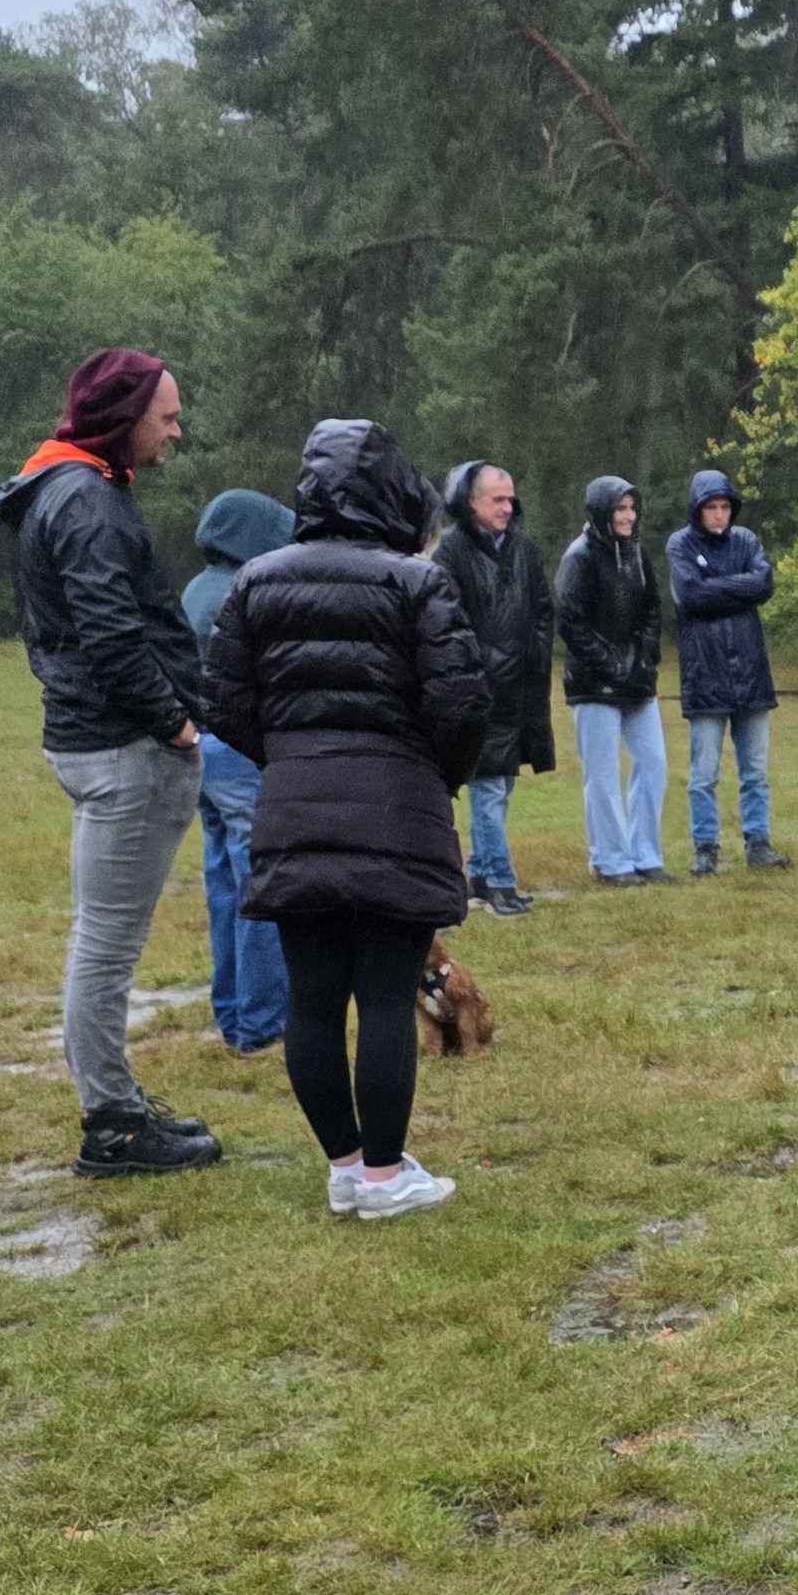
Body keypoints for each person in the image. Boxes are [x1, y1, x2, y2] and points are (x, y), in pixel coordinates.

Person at [200, 421, 491, 1220]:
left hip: (294, 804)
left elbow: (224, 701)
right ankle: (384, 1176)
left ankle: (347, 1164)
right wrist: (436, 771)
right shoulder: (416, 582)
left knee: (315, 998)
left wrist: (290, 755)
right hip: (399, 803)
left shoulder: (254, 582)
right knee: (386, 995)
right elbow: (463, 702)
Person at [0, 347, 221, 1180]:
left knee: (103, 937)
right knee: (108, 945)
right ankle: (113, 1125)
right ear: (122, 419)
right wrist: (176, 726)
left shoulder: (70, 487)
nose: (177, 430)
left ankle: (114, 1104)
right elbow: (110, 635)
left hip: (99, 738)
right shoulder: (86, 500)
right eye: (167, 416)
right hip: (123, 748)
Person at [182, 487, 296, 1054]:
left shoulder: (197, 590)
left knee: (224, 884)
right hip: (239, 750)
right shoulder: (246, 591)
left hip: (198, 752)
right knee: (264, 887)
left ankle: (231, 1016)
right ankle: (264, 1025)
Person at [433, 461, 557, 916]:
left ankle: (483, 874)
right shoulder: (451, 554)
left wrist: (534, 655)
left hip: (520, 688)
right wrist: (479, 664)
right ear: (471, 502)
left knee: (502, 780)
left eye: (510, 499)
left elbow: (544, 608)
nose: (508, 507)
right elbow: (445, 619)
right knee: (487, 784)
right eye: (497, 499)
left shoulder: (524, 550)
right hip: (479, 688)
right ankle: (499, 882)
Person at [669, 468, 787, 875]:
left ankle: (759, 842)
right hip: (705, 673)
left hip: (751, 671)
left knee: (755, 770)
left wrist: (718, 586)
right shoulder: (680, 545)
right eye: (711, 507)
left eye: (724, 507)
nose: (719, 515)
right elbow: (690, 595)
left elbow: (764, 585)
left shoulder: (747, 540)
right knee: (703, 773)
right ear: (697, 510)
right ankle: (706, 848)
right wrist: (740, 587)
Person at [553, 475, 671, 885]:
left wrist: (644, 656)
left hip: (637, 681)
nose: (629, 515)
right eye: (620, 508)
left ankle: (645, 855)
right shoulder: (579, 557)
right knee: (602, 776)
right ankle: (610, 861)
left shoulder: (637, 552)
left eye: (631, 507)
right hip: (593, 683)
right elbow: (570, 622)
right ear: (603, 511)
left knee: (654, 764)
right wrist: (611, 664)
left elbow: (652, 608)